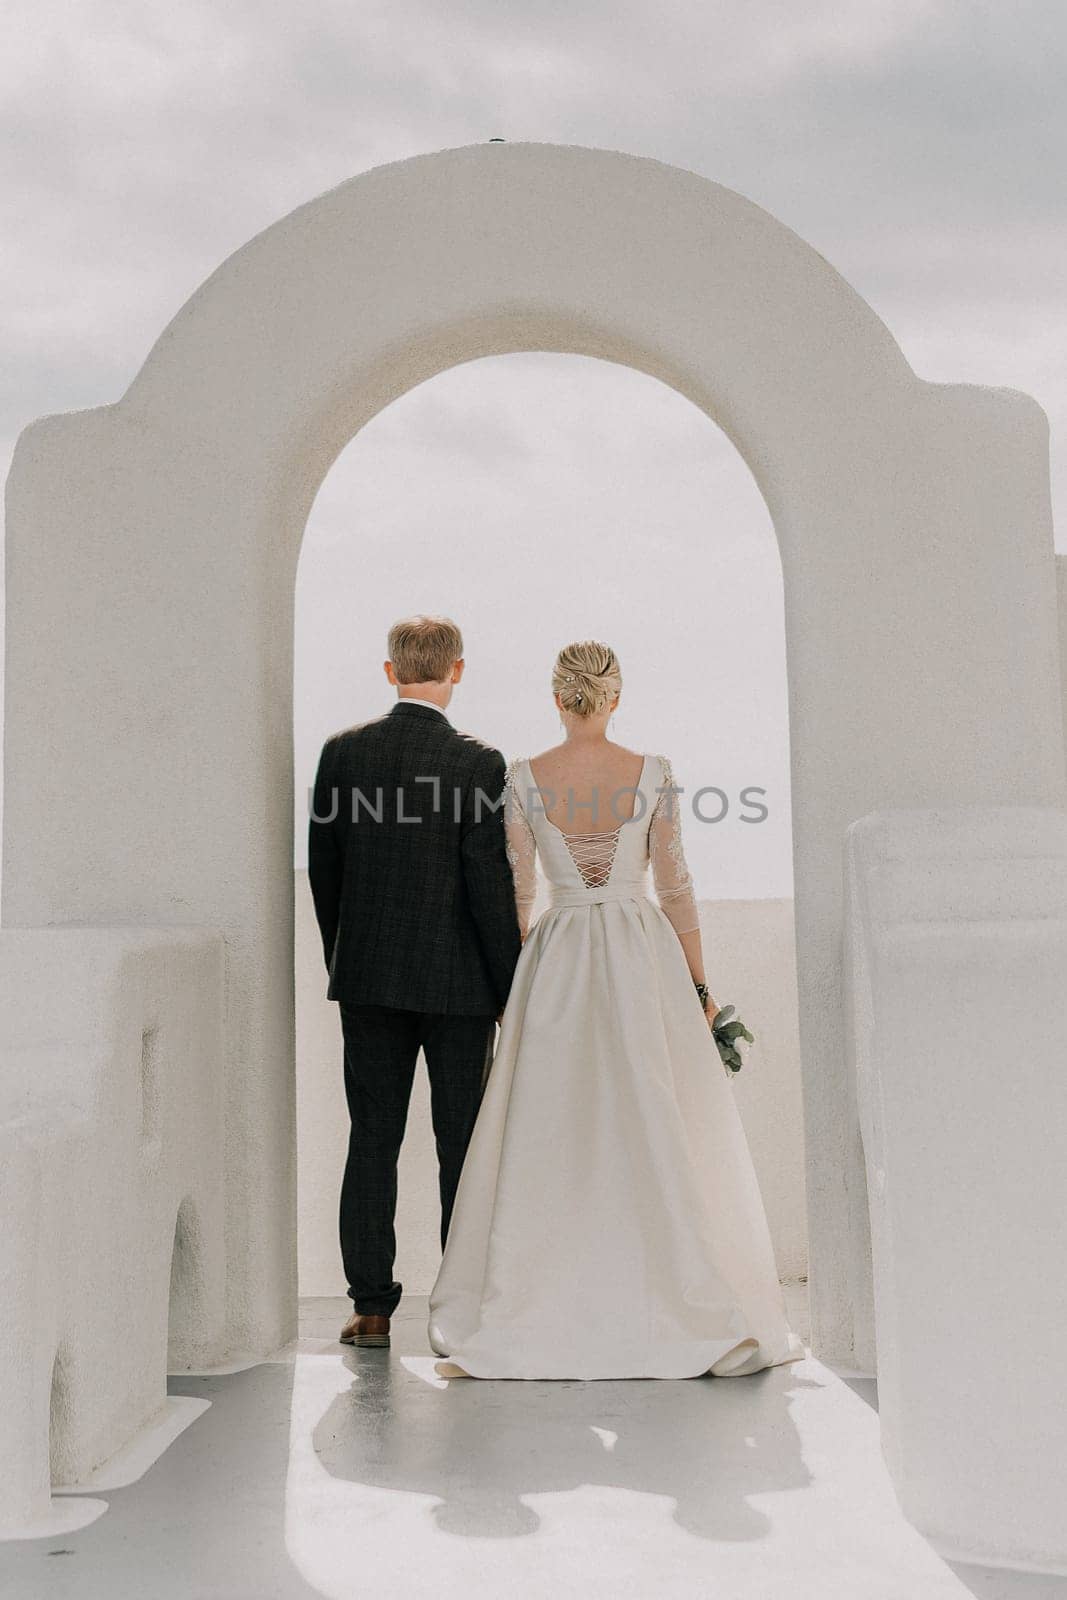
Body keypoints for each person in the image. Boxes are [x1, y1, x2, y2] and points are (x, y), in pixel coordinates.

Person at [428, 639, 806, 1379]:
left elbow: (518, 894)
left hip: (557, 958)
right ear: (614, 697)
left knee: (554, 1125)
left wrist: (515, 987)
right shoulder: (653, 775)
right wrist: (700, 990)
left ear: (557, 697)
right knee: (653, 1115)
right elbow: (675, 889)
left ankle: (542, 1299)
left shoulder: (524, 778)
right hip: (641, 956)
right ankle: (674, 1293)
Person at [308, 615, 522, 1349]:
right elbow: (487, 886)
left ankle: (370, 1311)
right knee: (460, 1144)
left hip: (366, 977)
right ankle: (460, 1311)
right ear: (456, 670)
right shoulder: (478, 763)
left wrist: (347, 954)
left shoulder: (342, 754)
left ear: (389, 670)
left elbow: (324, 870)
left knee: (372, 1138)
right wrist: (511, 986)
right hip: (459, 986)